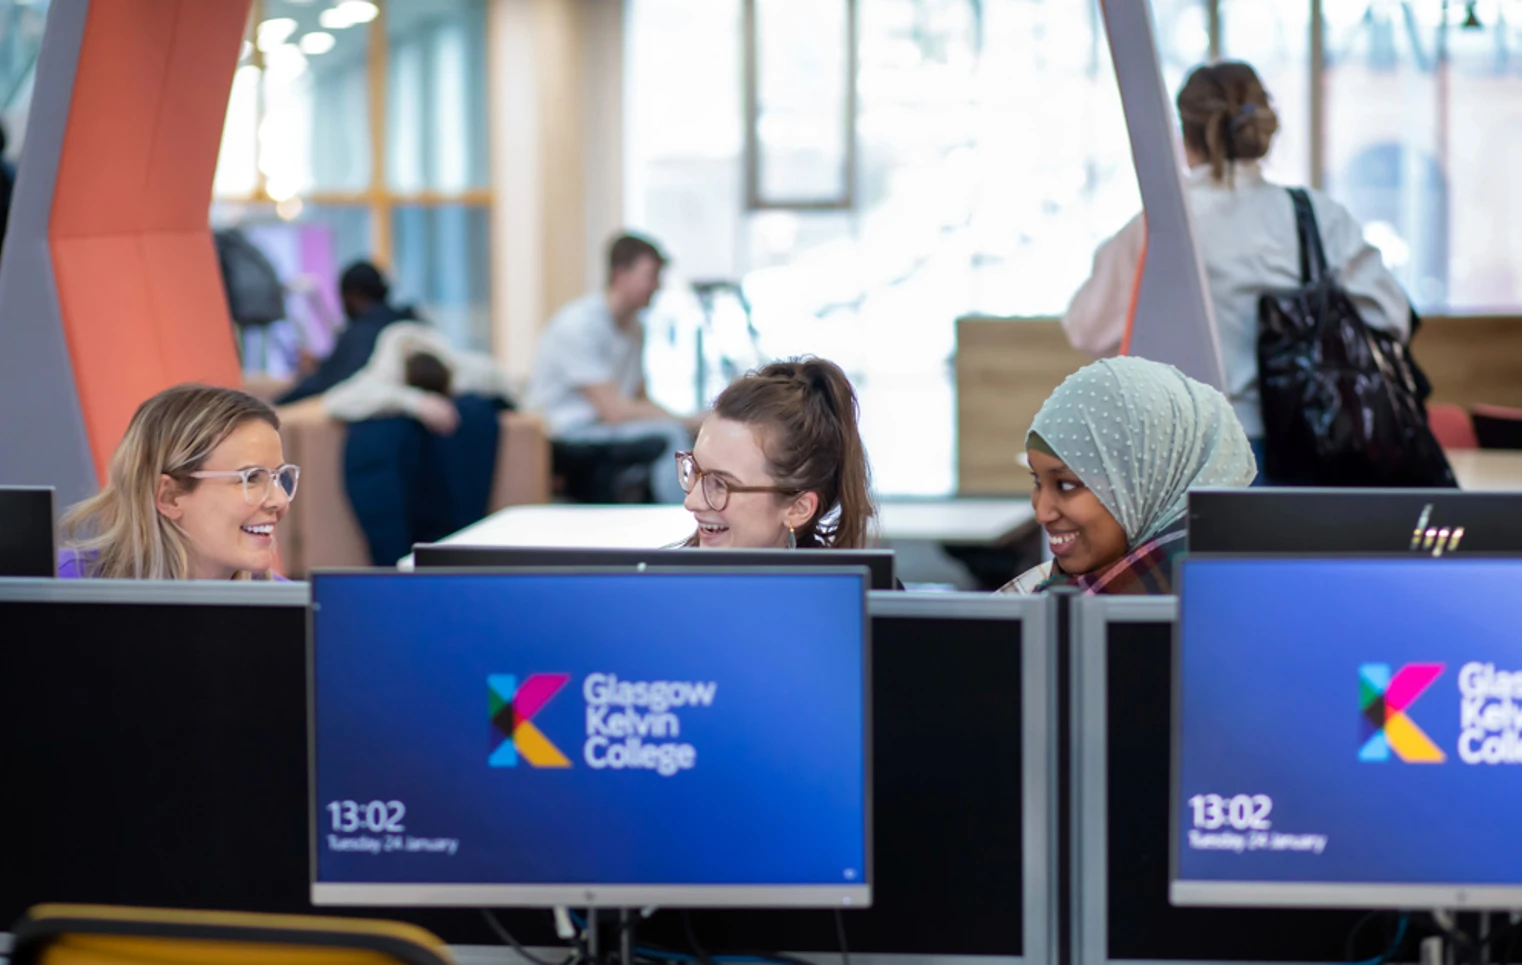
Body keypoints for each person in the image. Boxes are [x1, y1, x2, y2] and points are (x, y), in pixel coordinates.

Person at [1061, 61, 1409, 478]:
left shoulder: (1158, 224)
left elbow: (1085, 328)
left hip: (1184, 453)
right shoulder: (1316, 217)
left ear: (1186, 135)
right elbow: (1391, 316)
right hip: (1307, 442)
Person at [998, 357, 1256, 595]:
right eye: (1037, 481)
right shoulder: (1073, 593)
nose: (1042, 513)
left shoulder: (1199, 610)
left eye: (1066, 484)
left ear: (1146, 482)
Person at [285, 321, 516, 565]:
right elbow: (339, 401)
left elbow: (514, 393)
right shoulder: (388, 365)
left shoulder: (466, 371)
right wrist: (414, 403)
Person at [59, 384, 297, 580]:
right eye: (251, 478)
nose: (280, 500)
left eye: (278, 477)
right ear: (169, 497)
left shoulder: (300, 612)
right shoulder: (61, 587)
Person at [527, 233, 698, 503]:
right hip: (568, 432)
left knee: (683, 431)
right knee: (672, 435)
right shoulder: (580, 325)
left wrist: (688, 420)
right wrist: (685, 421)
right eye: (650, 276)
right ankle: (684, 519)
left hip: (605, 428)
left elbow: (640, 399)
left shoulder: (634, 328)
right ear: (620, 274)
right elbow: (614, 411)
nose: (657, 286)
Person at [679, 356, 876, 550]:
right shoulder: (661, 579)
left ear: (798, 509)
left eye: (720, 484)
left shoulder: (864, 583)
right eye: (695, 471)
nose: (691, 502)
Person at [276, 260, 414, 406]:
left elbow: (334, 383)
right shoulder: (406, 321)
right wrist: (321, 364)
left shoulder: (360, 332)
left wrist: (278, 403)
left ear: (353, 294)